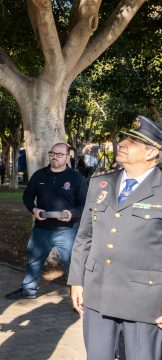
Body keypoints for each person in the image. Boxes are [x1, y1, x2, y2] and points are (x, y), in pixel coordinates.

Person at [68, 115, 162, 360]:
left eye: (133, 141)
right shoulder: (100, 183)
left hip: (145, 302)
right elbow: (84, 236)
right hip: (98, 293)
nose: (123, 143)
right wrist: (77, 281)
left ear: (152, 153)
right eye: (125, 138)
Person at [5, 143, 87, 300]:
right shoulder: (39, 175)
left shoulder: (77, 179)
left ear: (68, 158)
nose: (54, 157)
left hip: (68, 230)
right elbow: (27, 196)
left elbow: (85, 204)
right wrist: (34, 210)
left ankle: (79, 299)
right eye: (52, 153)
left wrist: (72, 213)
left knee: (73, 265)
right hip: (41, 230)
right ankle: (28, 290)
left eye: (59, 154)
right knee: (33, 261)